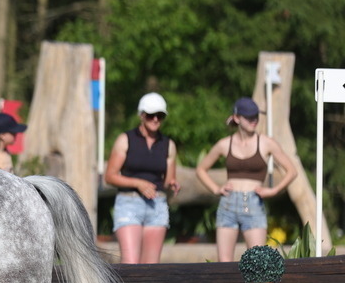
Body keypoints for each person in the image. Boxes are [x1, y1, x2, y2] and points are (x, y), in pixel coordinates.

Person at [195, 97, 298, 262]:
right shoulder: (224, 144)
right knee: (224, 264)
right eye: (249, 117)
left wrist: (274, 190)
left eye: (256, 116)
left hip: (254, 203)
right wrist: (215, 189)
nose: (254, 120)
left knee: (257, 262)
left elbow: (292, 171)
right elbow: (201, 169)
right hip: (228, 204)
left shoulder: (266, 143)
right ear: (237, 118)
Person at [103, 92, 181, 264]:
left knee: (151, 268)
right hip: (129, 204)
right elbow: (110, 176)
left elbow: (168, 180)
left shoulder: (168, 145)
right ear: (142, 115)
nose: (155, 120)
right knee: (130, 264)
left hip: (157, 205)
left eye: (160, 116)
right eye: (151, 115)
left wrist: (172, 184)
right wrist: (137, 183)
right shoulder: (125, 139)